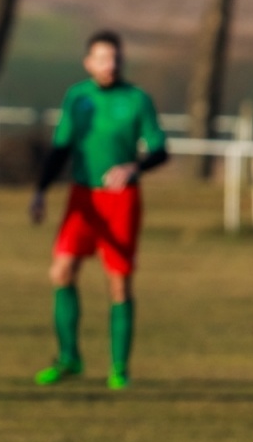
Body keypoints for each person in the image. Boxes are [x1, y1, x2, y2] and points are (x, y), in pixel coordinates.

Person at [28, 30, 168, 390]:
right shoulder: (77, 97)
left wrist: (132, 167)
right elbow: (61, 148)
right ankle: (69, 357)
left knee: (118, 282)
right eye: (103, 58)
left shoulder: (137, 100)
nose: (111, 65)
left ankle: (119, 367)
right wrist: (41, 191)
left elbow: (160, 149)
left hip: (122, 200)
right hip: (82, 196)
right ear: (88, 63)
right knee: (61, 271)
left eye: (116, 58)